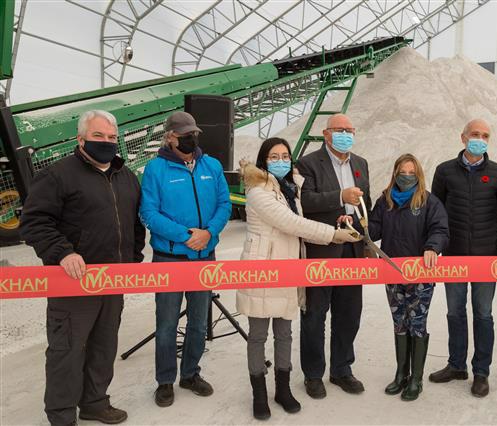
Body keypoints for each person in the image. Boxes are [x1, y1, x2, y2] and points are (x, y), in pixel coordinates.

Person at [20, 110, 146, 426]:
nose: (106, 142)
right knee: (67, 350)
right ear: (80, 139)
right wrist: (62, 252)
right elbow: (34, 222)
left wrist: (133, 259)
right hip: (72, 282)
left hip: (112, 281)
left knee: (104, 346)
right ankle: (62, 415)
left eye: (112, 137)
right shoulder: (59, 175)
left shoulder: (126, 176)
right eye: (98, 136)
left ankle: (94, 402)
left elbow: (133, 224)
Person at [236, 138, 360, 420]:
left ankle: (282, 389)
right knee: (257, 335)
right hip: (263, 269)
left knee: (284, 332)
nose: (280, 160)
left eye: (285, 156)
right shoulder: (258, 191)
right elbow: (292, 224)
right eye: (273, 156)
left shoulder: (290, 189)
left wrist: (338, 223)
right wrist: (332, 235)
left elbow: (304, 217)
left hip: (289, 267)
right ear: (263, 160)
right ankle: (259, 393)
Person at [139, 111, 231, 408]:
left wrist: (209, 232)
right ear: (170, 137)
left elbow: (224, 204)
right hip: (170, 258)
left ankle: (190, 373)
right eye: (184, 135)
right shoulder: (155, 169)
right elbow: (148, 213)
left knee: (198, 323)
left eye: (194, 134)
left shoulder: (212, 166)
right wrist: (184, 235)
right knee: (166, 324)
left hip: (205, 256)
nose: (191, 139)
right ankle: (165, 381)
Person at [428, 119, 497, 397]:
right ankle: (456, 365)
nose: (480, 139)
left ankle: (481, 372)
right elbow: (435, 213)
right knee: (454, 312)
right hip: (454, 256)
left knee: (484, 314)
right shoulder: (445, 171)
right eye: (475, 134)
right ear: (463, 138)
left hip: (487, 258)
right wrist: (435, 246)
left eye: (485, 135)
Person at [296, 113, 371, 398]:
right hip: (322, 249)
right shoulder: (308, 163)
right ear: (326, 134)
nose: (347, 134)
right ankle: (313, 375)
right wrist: (340, 197)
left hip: (353, 248)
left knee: (349, 313)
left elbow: (368, 205)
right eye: (341, 130)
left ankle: (342, 369)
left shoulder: (360, 163)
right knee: (315, 313)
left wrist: (366, 236)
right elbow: (304, 201)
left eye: (351, 130)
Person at [363, 153, 449, 401]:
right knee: (399, 322)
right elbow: (374, 229)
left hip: (421, 274)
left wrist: (433, 246)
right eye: (403, 171)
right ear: (395, 172)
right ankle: (401, 373)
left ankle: (416, 378)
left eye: (412, 172)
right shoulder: (386, 201)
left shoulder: (428, 201)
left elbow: (440, 228)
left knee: (417, 323)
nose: (407, 176)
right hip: (392, 272)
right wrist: (360, 224)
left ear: (418, 174)